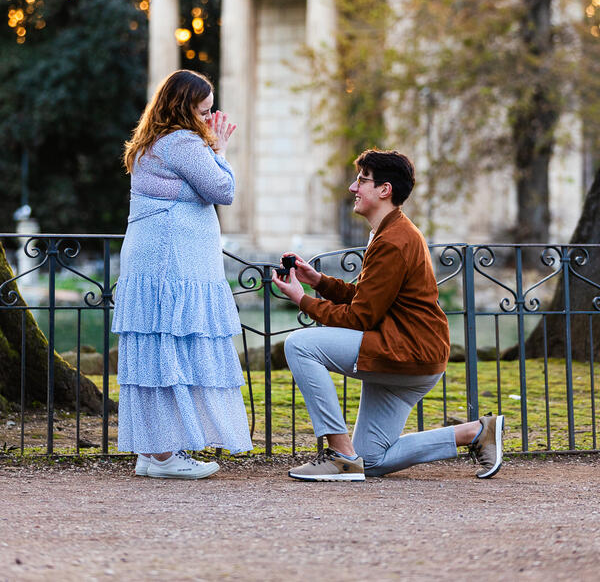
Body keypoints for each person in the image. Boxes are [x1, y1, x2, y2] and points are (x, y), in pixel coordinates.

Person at [272, 149, 503, 482]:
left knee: (300, 345)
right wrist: (318, 282)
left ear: (385, 190)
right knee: (374, 460)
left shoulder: (393, 240)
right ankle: (475, 432)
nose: (353, 188)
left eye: (362, 180)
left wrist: (302, 300)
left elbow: (360, 317)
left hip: (406, 351)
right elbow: (369, 299)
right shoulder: (391, 232)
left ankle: (340, 455)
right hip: (410, 353)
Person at [112, 69, 252, 479]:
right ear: (182, 108)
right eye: (204, 111)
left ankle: (155, 450)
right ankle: (163, 455)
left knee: (159, 349)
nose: (210, 120)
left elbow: (204, 190)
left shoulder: (154, 143)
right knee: (169, 349)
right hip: (171, 264)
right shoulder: (182, 143)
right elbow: (223, 191)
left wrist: (205, 175)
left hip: (157, 260)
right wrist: (221, 150)